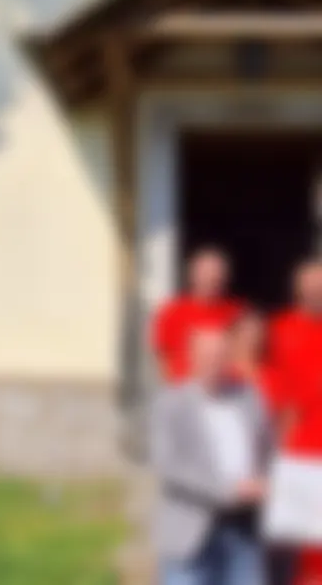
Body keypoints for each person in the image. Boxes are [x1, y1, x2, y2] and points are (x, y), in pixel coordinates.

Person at [148, 326, 269, 585]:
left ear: (228, 359)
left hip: (243, 531)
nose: (213, 362)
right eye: (207, 355)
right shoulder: (170, 403)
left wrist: (267, 482)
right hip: (190, 533)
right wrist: (229, 489)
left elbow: (268, 451)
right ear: (191, 356)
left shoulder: (249, 397)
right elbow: (168, 466)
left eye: (220, 355)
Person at [266, 260, 322, 585]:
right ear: (297, 291)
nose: (316, 293)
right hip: (295, 452)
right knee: (295, 544)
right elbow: (262, 379)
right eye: (310, 287)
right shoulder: (279, 328)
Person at [153, 248, 244, 384]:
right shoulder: (172, 311)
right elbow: (162, 356)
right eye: (206, 273)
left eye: (217, 275)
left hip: (223, 391)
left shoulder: (236, 313)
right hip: (184, 389)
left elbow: (245, 356)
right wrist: (174, 388)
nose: (212, 279)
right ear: (193, 275)